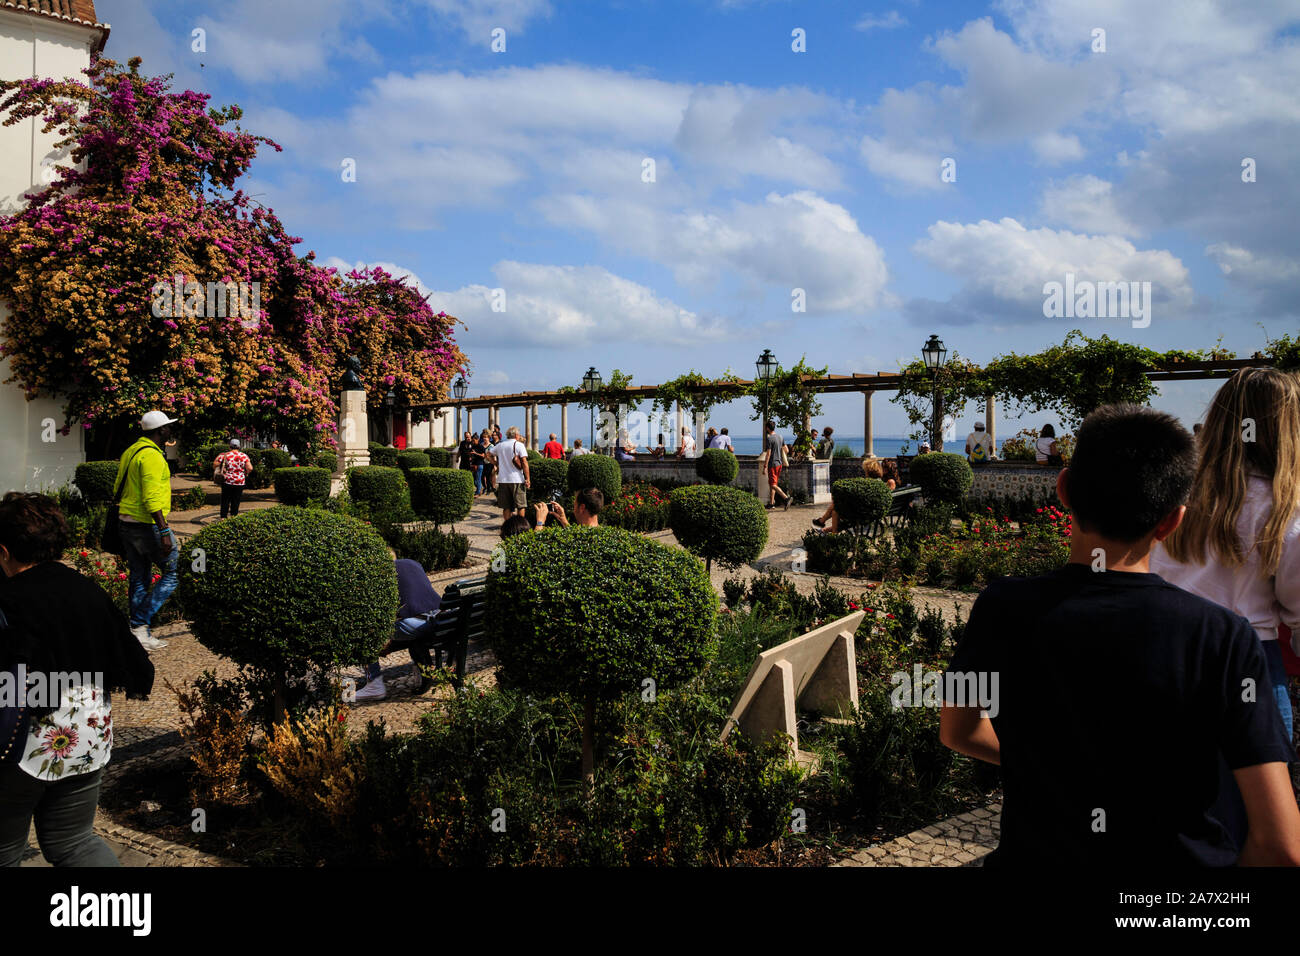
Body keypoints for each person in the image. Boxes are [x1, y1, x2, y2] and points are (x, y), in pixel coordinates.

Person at [940, 404, 1300, 866]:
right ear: (1172, 521)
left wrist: (1051, 766)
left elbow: (957, 730)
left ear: (1064, 489)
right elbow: (1280, 844)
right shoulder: (1222, 636)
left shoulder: (999, 607)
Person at [0, 493, 154, 867]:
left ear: (3, 551)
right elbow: (131, 660)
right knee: (74, 843)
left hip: (24, 745)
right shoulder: (86, 589)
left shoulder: (9, 599)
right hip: (87, 737)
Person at [1152, 368, 1300, 738]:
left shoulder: (1171, 490)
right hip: (1249, 660)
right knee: (1260, 787)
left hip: (1164, 654)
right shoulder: (1282, 506)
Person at [114, 411, 180, 651]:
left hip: (126, 522)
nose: (171, 430)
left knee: (139, 576)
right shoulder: (151, 456)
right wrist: (164, 531)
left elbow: (118, 486)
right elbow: (152, 496)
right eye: (168, 427)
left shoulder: (131, 451)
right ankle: (139, 624)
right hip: (147, 524)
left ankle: (138, 633)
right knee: (173, 573)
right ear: (160, 430)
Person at [353, 559, 444, 702]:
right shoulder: (414, 563)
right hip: (442, 619)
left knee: (365, 635)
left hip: (418, 624)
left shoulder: (384, 573)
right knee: (408, 631)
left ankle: (374, 685)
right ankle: (421, 673)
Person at [814, 457, 893, 531]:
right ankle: (823, 524)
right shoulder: (880, 484)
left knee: (836, 510)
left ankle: (828, 528)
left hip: (863, 514)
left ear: (868, 471)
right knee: (836, 506)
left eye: (865, 470)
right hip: (872, 512)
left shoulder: (867, 485)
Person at [493, 426, 530, 521]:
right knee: (521, 506)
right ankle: (520, 527)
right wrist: (528, 479)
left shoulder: (501, 445)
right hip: (517, 479)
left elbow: (488, 454)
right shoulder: (519, 445)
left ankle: (507, 527)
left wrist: (495, 463)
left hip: (503, 479)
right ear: (516, 435)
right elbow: (525, 463)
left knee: (506, 507)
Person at [213, 439, 253, 519]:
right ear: (239, 446)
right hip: (240, 481)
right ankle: (233, 517)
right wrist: (245, 473)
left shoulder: (224, 455)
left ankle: (223, 518)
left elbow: (214, 465)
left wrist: (222, 468)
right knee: (236, 500)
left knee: (225, 500)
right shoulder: (244, 456)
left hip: (227, 480)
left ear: (229, 446)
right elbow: (250, 468)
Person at [536, 487, 603, 529]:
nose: (573, 509)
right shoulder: (605, 535)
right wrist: (564, 521)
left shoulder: (581, 540)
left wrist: (540, 522)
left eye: (575, 505)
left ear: (582, 508)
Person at [761, 420, 790, 511]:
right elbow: (786, 450)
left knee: (773, 484)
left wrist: (765, 466)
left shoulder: (770, 439)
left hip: (772, 464)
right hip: (779, 464)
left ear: (768, 428)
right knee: (773, 484)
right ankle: (771, 503)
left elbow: (768, 454)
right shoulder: (780, 437)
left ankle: (786, 498)